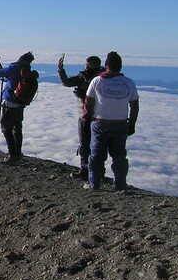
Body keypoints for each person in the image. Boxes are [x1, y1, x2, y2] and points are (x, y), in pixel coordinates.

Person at [82, 52, 139, 191]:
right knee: (119, 156)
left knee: (96, 156)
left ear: (106, 66)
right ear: (120, 66)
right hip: (120, 124)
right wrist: (131, 124)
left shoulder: (97, 81)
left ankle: (94, 185)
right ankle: (120, 185)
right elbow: (134, 106)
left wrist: (86, 121)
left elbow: (88, 103)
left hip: (100, 123)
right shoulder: (128, 82)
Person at [58, 54, 105, 179]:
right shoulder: (83, 76)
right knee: (86, 143)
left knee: (92, 143)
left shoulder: (101, 78)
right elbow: (67, 82)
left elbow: (100, 98)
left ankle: (93, 170)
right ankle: (89, 169)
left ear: (94, 64)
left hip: (94, 115)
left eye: (88, 64)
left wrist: (82, 96)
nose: (86, 66)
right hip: (86, 115)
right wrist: (61, 70)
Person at [0, 51, 35, 164]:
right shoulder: (27, 70)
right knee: (17, 128)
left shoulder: (14, 67)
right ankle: (18, 154)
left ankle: (12, 155)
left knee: (5, 127)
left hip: (10, 103)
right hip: (21, 103)